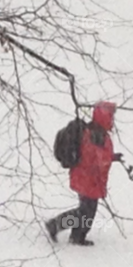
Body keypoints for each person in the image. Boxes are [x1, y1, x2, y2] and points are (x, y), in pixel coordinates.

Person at [46, 101, 123, 246]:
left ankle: (75, 236)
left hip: (90, 180)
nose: (112, 121)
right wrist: (108, 158)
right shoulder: (93, 134)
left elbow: (99, 156)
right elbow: (91, 157)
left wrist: (113, 157)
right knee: (86, 212)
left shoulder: (99, 134)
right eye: (110, 117)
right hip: (86, 179)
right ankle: (57, 226)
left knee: (85, 212)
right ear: (104, 117)